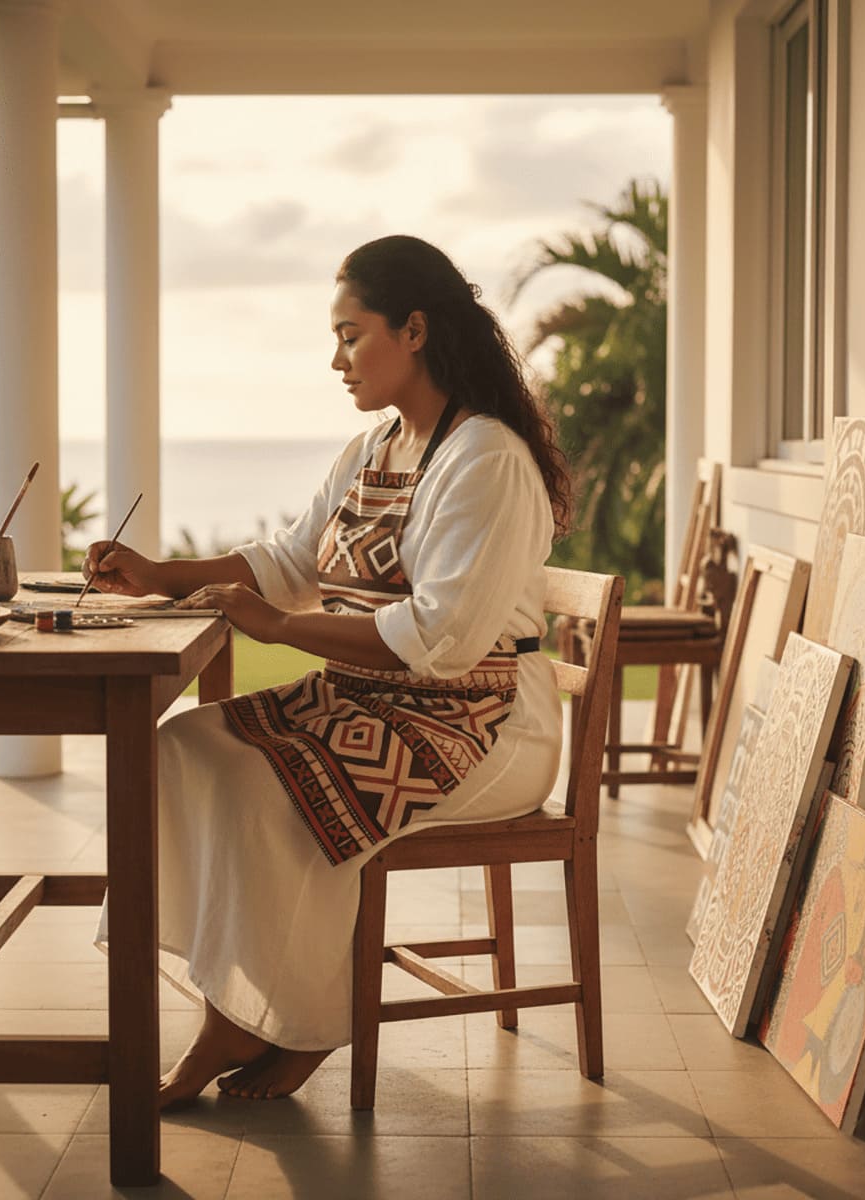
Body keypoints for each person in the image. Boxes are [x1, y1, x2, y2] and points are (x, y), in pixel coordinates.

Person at [86, 234, 572, 1107]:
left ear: (414, 330)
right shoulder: (377, 449)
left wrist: (276, 627)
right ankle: (262, 1010)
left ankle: (257, 1024)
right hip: (379, 706)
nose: (336, 359)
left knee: (278, 786)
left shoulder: (486, 458)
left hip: (484, 723)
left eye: (351, 335)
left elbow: (443, 640)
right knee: (185, 748)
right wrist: (165, 574)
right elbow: (288, 559)